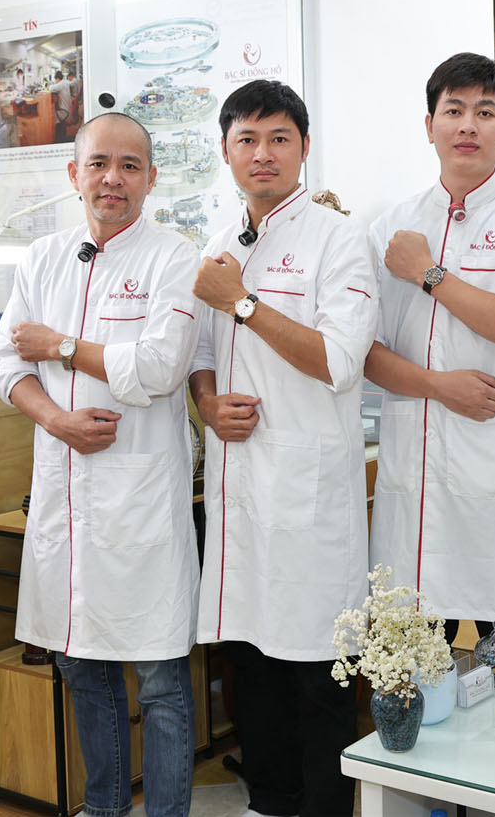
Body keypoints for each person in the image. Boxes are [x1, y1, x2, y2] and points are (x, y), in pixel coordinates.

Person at [0, 112, 202, 817]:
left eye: (130, 165)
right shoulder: (42, 257)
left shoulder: (173, 256)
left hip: (142, 503)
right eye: (100, 164)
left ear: (151, 178)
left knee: (162, 682)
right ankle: (105, 808)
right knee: (82, 667)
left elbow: (160, 367)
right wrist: (56, 421)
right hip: (66, 497)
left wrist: (59, 345)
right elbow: (5, 365)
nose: (114, 178)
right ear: (73, 173)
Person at [188, 80, 375, 817]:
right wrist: (207, 404)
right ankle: (269, 799)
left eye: (278, 139)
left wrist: (243, 302)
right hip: (239, 486)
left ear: (303, 147)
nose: (262, 153)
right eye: (247, 139)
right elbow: (201, 353)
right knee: (250, 659)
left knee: (317, 669)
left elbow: (339, 360)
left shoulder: (338, 239)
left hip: (308, 490)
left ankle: (326, 807)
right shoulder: (218, 244)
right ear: (226, 151)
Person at [365, 52, 495, 672]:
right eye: (452, 110)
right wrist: (438, 386)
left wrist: (428, 273)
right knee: (409, 681)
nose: (467, 125)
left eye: (484, 112)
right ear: (428, 124)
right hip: (415, 486)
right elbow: (365, 353)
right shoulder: (390, 227)